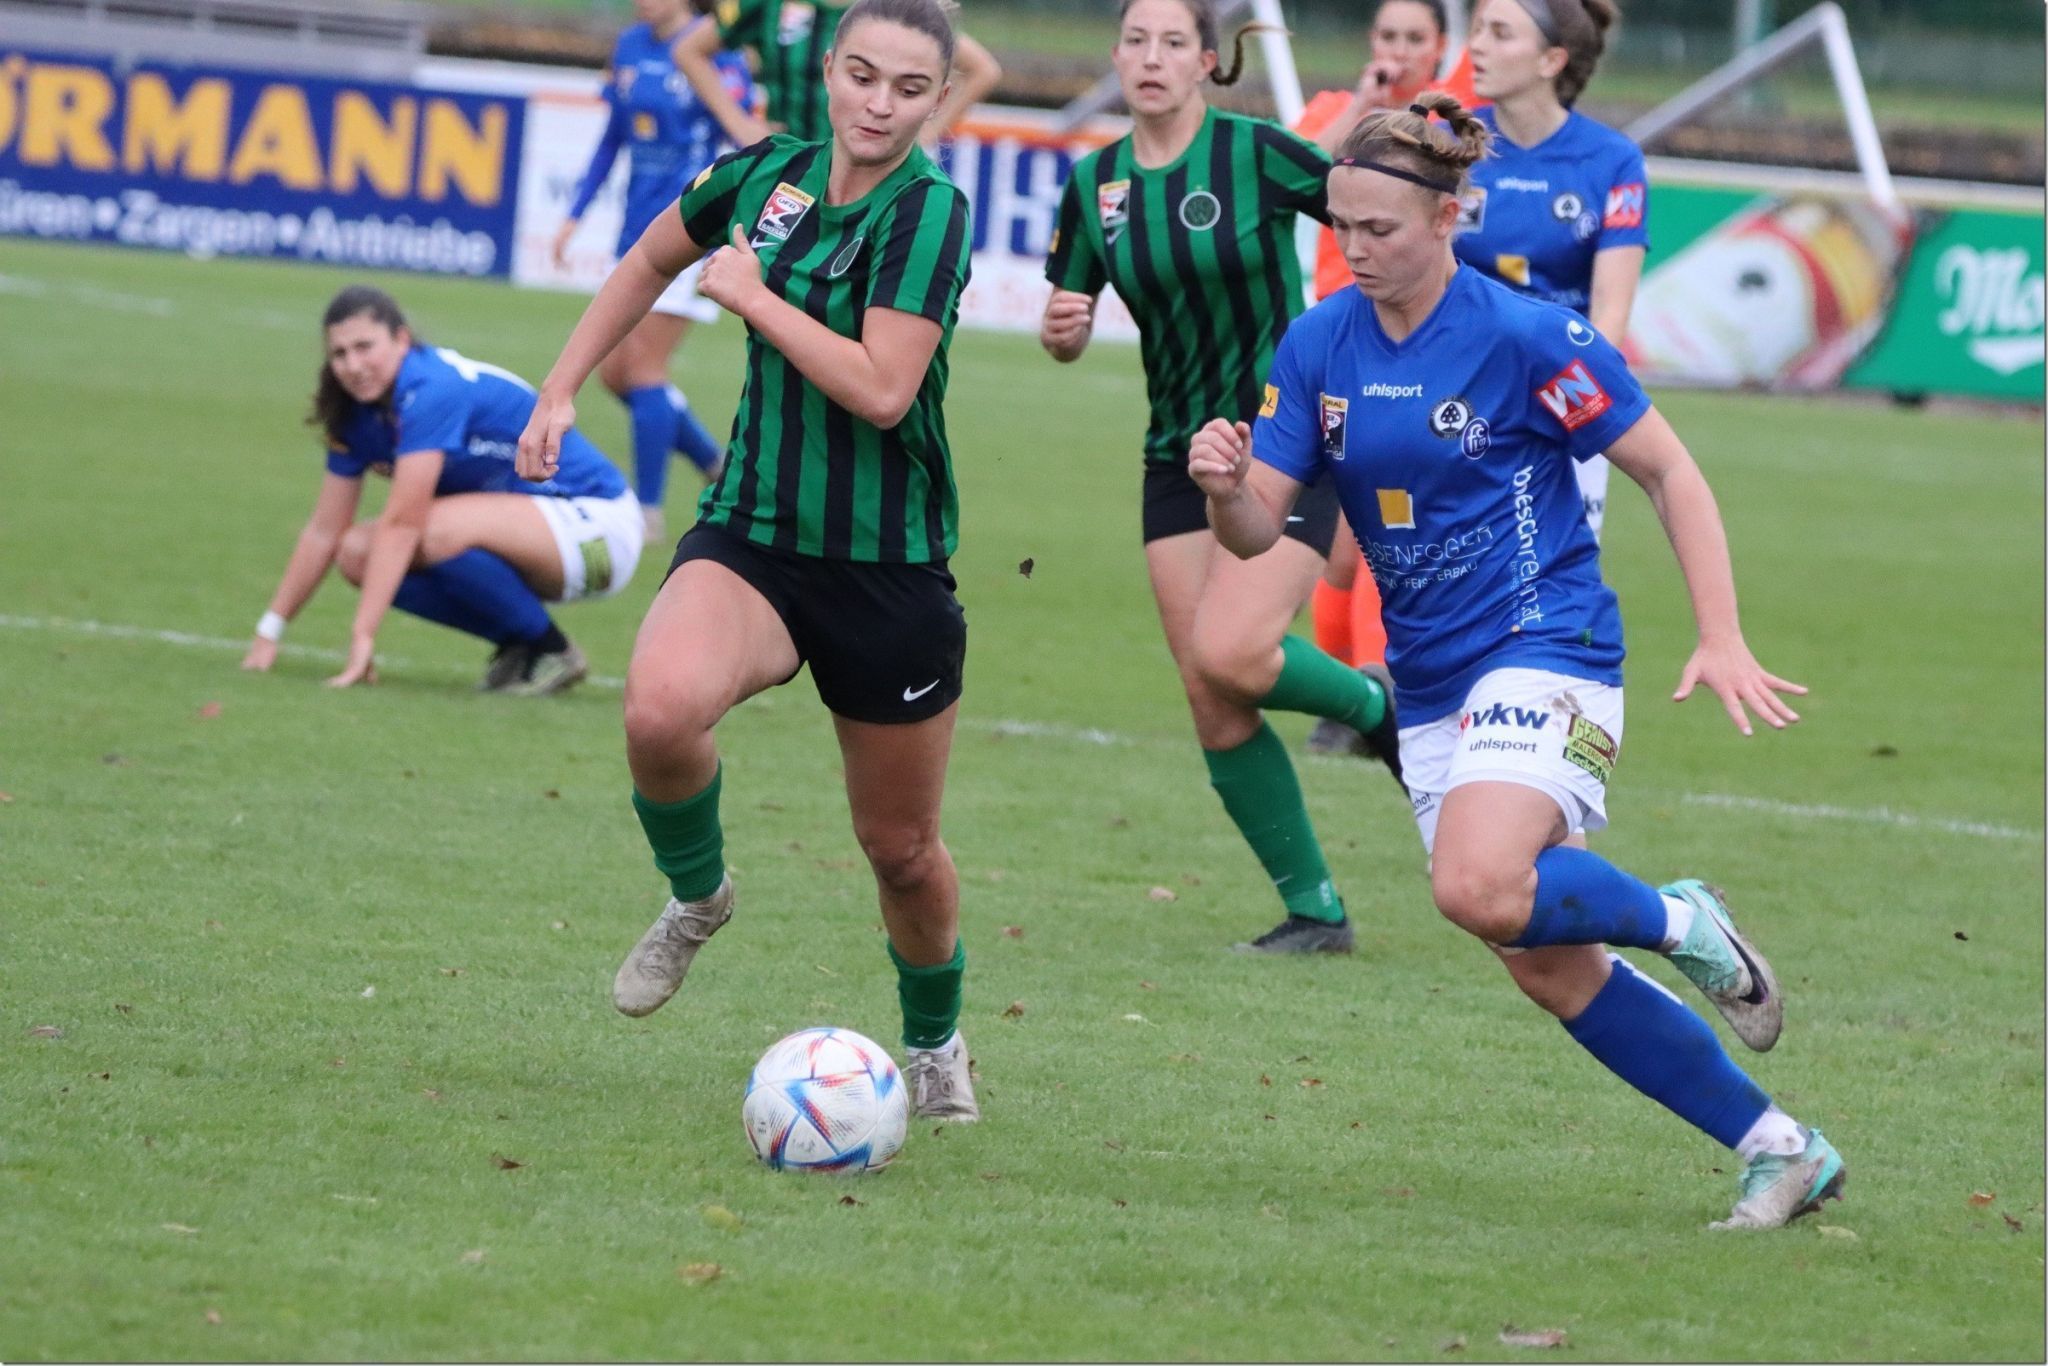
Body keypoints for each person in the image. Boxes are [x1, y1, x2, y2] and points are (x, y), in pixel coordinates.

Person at [1188, 95, 1845, 1229]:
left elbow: (1668, 473)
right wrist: (1221, 490)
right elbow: (1261, 529)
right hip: (1435, 684)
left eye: (1380, 228)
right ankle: (1778, 1146)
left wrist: (1720, 631)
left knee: (1475, 885)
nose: (1353, 247)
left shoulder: (1529, 335)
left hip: (1551, 648)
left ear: (1449, 217)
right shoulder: (1318, 342)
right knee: (1537, 956)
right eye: (1339, 224)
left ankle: (1678, 916)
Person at [516, 0, 981, 1120]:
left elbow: (881, 388)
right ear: (827, 71)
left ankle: (933, 1041)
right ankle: (697, 898)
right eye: (861, 75)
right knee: (655, 711)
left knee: (901, 850)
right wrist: (563, 381)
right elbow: (646, 259)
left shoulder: (928, 214)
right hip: (754, 538)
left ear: (934, 101)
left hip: (886, 570)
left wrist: (756, 300)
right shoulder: (760, 174)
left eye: (907, 88)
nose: (878, 103)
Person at [1041, 0, 1401, 958]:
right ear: (1115, 55)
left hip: (1286, 435)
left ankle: (1378, 710)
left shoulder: (1257, 152)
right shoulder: (1097, 186)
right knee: (1213, 691)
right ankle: (1317, 912)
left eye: (1171, 43)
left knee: (1236, 652)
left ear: (1207, 60)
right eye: (1133, 40)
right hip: (1177, 453)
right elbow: (1066, 313)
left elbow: (1374, 220)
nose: (1149, 58)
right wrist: (1062, 331)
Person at [241, 286, 641, 696]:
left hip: (599, 530)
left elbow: (404, 524)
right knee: (357, 552)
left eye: (365, 346)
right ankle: (525, 644)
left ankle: (548, 648)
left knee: (425, 530)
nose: (353, 365)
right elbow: (325, 531)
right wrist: (270, 629)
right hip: (532, 532)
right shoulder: (354, 414)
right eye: (340, 354)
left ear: (401, 340)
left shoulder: (431, 388)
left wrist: (362, 637)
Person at [1292, 0, 1459, 756]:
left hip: (1409, 344)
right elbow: (1295, 167)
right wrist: (1363, 103)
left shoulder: (1445, 134)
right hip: (1336, 342)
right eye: (1388, 36)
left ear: (1440, 49)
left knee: (1378, 526)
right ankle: (1350, 696)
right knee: (1337, 546)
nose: (1398, 51)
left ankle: (1376, 689)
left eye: (1414, 39)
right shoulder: (1337, 110)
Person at [553, 0, 757, 543]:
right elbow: (613, 139)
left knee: (642, 368)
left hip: (692, 230)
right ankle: (714, 463)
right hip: (635, 233)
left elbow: (746, 133)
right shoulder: (629, 46)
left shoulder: (716, 48)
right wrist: (575, 213)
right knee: (615, 374)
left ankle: (647, 513)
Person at [1458, 0, 1645, 542]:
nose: (1478, 46)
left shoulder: (1613, 161)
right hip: (1458, 385)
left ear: (1550, 60)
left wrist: (1567, 398)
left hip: (1565, 389)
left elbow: (1611, 311)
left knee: (1556, 578)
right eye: (1476, 31)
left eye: (1499, 33)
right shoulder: (1449, 147)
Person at [674, 0, 1001, 149]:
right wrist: (741, 125)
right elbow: (689, 51)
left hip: (870, 177)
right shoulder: (767, 5)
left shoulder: (898, 8)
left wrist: (927, 134)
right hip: (787, 168)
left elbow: (982, 70)